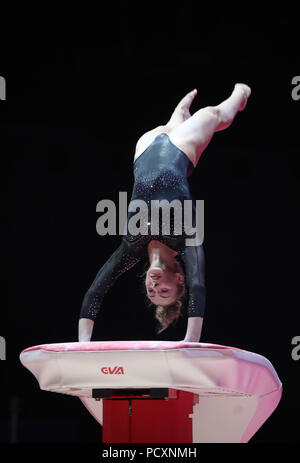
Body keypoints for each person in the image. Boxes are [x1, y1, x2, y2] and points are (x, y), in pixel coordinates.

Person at [78, 83, 251, 343]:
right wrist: (190, 342)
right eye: (165, 290)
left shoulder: (131, 249)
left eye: (152, 292)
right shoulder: (185, 240)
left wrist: (83, 346)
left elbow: (96, 290)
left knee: (169, 127)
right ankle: (241, 94)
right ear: (179, 277)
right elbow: (199, 285)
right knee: (216, 116)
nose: (154, 286)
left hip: (145, 147)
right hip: (182, 148)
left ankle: (178, 114)